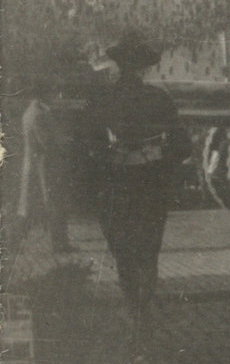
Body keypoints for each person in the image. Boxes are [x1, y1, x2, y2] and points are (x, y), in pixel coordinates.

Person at [81, 30, 190, 333]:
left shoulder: (103, 98)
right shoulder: (159, 98)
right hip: (151, 183)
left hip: (115, 183)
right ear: (143, 66)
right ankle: (143, 306)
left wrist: (107, 160)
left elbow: (89, 145)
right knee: (148, 248)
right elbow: (182, 145)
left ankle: (133, 304)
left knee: (123, 248)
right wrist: (161, 163)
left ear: (118, 64)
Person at [17, 80, 75, 253]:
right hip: (45, 165)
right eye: (52, 92)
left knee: (31, 206)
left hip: (35, 164)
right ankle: (59, 244)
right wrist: (65, 144)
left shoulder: (31, 112)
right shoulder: (39, 114)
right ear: (44, 94)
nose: (55, 95)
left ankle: (15, 243)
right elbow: (46, 142)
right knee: (54, 204)